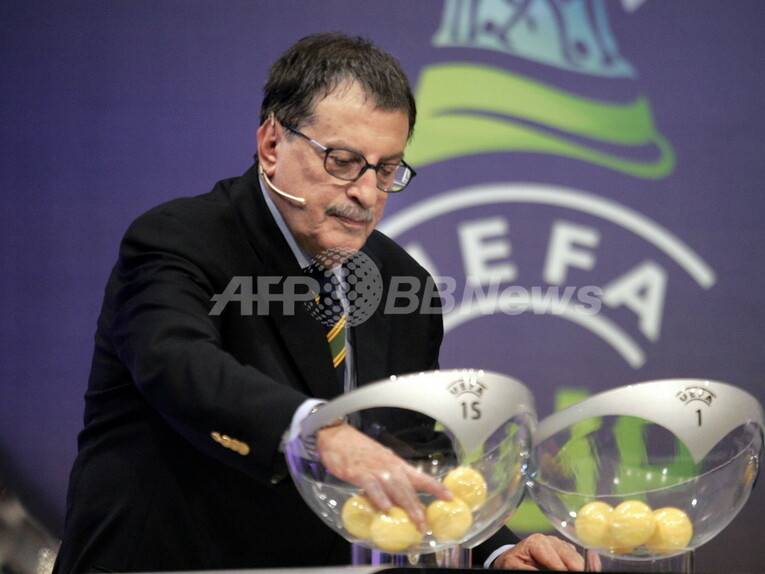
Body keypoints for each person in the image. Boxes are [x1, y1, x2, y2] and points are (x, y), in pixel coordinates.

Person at [54, 33, 583, 573]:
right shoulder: (180, 239)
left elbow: (409, 451)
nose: (367, 193)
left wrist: (495, 549)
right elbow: (178, 366)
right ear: (272, 144)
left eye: (386, 169)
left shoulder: (402, 281)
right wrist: (318, 433)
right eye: (344, 161)